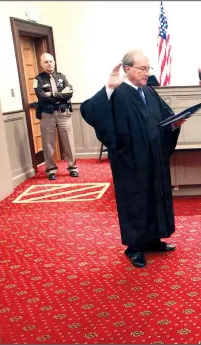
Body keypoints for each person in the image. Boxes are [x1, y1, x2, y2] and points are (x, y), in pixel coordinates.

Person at [80, 50, 184, 268]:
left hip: (154, 156)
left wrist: (175, 124)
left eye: (148, 68)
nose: (147, 73)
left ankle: (154, 239)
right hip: (131, 159)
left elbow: (165, 117)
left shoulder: (149, 91)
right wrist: (108, 88)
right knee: (135, 201)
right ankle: (135, 247)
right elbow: (89, 111)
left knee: (155, 195)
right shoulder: (117, 92)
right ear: (128, 69)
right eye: (142, 69)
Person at [34, 53, 78, 180]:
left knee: (69, 142)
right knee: (48, 144)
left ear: (54, 62)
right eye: (46, 62)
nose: (49, 64)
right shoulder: (38, 80)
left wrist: (52, 94)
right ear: (41, 63)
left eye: (51, 61)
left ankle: (72, 168)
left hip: (63, 113)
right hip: (47, 115)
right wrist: (59, 94)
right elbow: (41, 96)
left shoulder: (61, 77)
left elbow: (69, 93)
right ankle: (51, 170)